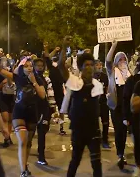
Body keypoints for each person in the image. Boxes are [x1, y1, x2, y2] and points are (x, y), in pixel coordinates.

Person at [58, 36, 103, 177]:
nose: (89, 67)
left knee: (96, 163)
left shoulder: (98, 85)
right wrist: (64, 47)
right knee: (75, 160)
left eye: (91, 64)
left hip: (94, 130)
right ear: (81, 67)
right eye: (86, 65)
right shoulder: (75, 82)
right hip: (78, 130)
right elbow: (61, 66)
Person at [0, 56, 46, 177]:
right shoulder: (17, 78)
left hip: (32, 113)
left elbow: (42, 95)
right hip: (18, 112)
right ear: (21, 68)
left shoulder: (38, 79)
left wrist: (34, 81)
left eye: (30, 66)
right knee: (23, 140)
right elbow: (1, 71)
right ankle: (23, 170)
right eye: (26, 66)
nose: (29, 68)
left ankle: (24, 165)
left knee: (28, 143)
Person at [105, 40, 132, 170]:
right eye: (119, 59)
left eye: (123, 59)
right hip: (116, 105)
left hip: (127, 106)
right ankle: (120, 154)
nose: (122, 61)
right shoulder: (112, 71)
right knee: (118, 131)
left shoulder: (129, 72)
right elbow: (108, 60)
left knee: (124, 130)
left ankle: (123, 153)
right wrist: (114, 46)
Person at [123, 55, 140, 176]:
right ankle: (139, 165)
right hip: (136, 116)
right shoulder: (131, 80)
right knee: (138, 141)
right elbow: (126, 99)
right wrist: (126, 117)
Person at [33, 58, 57, 165]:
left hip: (44, 108)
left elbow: (50, 92)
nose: (39, 67)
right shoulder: (30, 78)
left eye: (41, 66)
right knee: (31, 133)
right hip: (32, 108)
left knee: (43, 131)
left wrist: (52, 107)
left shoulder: (46, 79)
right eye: (37, 65)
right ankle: (40, 156)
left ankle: (41, 153)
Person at [43, 44, 67, 135]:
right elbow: (47, 57)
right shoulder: (52, 67)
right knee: (50, 109)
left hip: (59, 90)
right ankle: (47, 125)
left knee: (61, 110)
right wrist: (48, 49)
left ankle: (61, 127)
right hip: (51, 91)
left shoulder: (62, 69)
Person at [0, 56, 16, 147]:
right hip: (3, 97)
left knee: (10, 119)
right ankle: (6, 138)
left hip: (12, 98)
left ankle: (9, 137)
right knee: (5, 119)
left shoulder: (15, 75)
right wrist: (2, 84)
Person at [93, 59, 111, 149]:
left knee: (105, 122)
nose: (99, 67)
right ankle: (95, 140)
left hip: (103, 103)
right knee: (94, 123)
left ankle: (105, 140)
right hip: (94, 103)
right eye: (97, 65)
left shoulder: (104, 76)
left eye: (100, 65)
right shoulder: (91, 77)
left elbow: (107, 89)